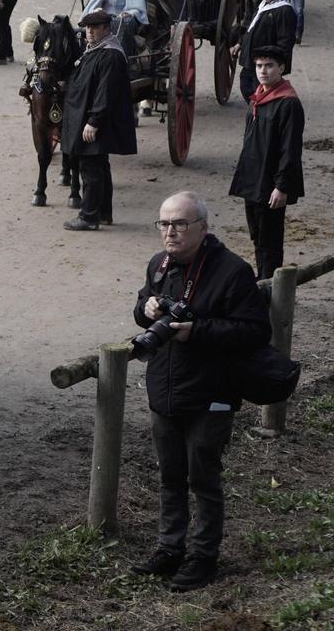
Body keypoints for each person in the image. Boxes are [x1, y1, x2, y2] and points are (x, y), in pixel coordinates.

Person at [130, 191, 271, 592]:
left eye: (179, 224)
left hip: (212, 393)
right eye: (163, 224)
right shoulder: (159, 266)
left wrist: (198, 331)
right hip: (165, 389)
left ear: (203, 228)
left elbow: (257, 331)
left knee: (203, 479)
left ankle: (202, 557)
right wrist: (149, 309)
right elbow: (140, 309)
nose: (170, 232)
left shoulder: (232, 271)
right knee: (170, 476)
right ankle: (168, 549)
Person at [229, 46, 305, 280]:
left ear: (281, 68)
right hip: (253, 178)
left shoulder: (288, 103)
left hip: (270, 182)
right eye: (260, 66)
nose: (263, 71)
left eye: (269, 66)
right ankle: (262, 279)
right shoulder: (258, 97)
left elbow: (290, 149)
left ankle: (269, 286)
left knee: (270, 239)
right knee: (256, 234)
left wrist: (281, 186)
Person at [61, 10, 136, 231]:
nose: (89, 32)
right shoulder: (95, 50)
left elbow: (106, 92)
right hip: (91, 119)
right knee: (100, 167)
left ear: (106, 28)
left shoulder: (110, 55)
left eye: (94, 28)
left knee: (91, 168)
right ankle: (103, 213)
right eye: (87, 28)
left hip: (97, 122)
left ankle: (89, 217)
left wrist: (94, 121)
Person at [231, 0, 295, 100]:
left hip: (267, 62)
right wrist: (240, 44)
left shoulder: (285, 10)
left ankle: (260, 112)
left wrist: (277, 61)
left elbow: (286, 40)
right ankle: (256, 109)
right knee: (246, 86)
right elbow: (251, 28)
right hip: (252, 59)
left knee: (261, 91)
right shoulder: (264, 5)